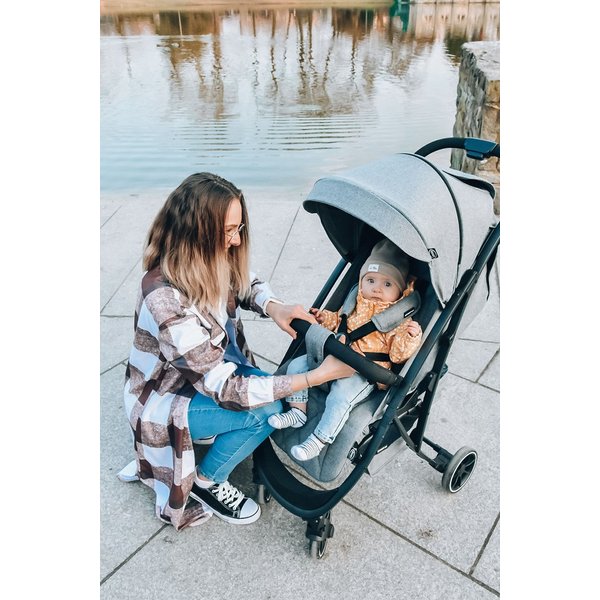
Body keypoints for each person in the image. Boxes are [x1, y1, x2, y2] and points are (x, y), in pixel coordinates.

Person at [123, 173, 355, 529]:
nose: (235, 241)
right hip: (168, 396)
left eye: (238, 228)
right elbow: (227, 389)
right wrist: (316, 376)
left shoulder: (210, 258)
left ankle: (210, 433)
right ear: (196, 232)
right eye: (227, 231)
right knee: (266, 410)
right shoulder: (164, 297)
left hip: (209, 375)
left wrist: (274, 306)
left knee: (275, 398)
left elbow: (247, 281)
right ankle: (207, 481)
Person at [268, 239, 423, 461]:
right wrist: (323, 318)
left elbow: (398, 355)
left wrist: (411, 337)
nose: (377, 288)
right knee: (296, 365)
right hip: (333, 356)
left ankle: (319, 440)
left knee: (340, 398)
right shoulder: (354, 302)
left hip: (363, 371)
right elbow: (339, 321)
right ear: (361, 282)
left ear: (400, 290)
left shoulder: (398, 319)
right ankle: (298, 411)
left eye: (388, 284)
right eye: (371, 280)